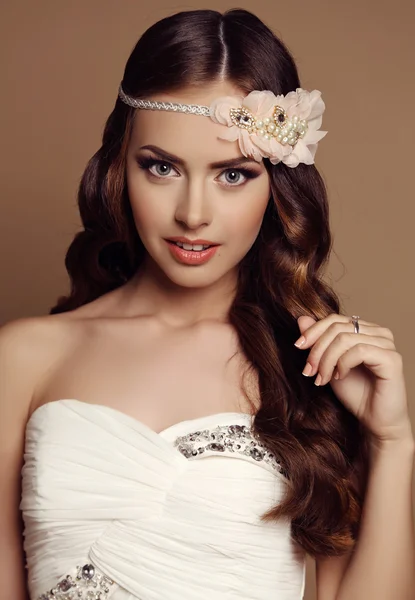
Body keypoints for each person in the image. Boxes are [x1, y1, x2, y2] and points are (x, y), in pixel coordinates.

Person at [1, 8, 414, 600]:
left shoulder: (314, 375)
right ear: (120, 166)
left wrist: (392, 443)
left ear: (278, 185)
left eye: (233, 174)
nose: (193, 214)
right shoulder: (22, 358)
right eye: (162, 167)